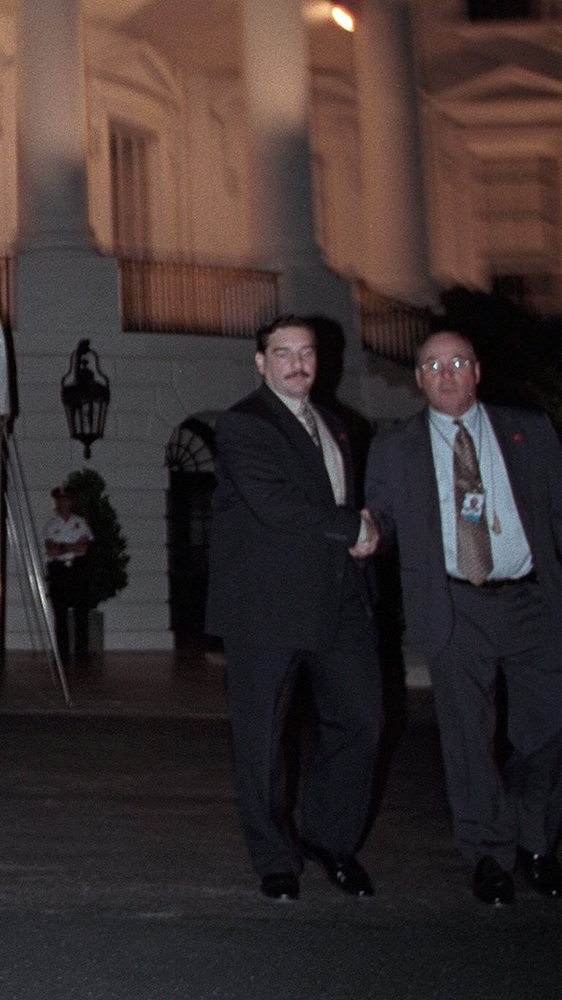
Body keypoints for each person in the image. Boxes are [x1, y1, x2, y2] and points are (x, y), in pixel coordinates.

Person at [365, 329, 562, 906]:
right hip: (454, 605)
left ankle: (536, 841)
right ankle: (489, 855)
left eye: (456, 362)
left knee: (548, 729)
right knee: (468, 739)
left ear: (476, 371)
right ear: (419, 378)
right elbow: (380, 522)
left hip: (533, 600)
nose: (445, 373)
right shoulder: (396, 447)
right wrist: (364, 535)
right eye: (432, 364)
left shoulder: (531, 432)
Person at [204, 315, 383, 902]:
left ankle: (331, 841)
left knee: (362, 720)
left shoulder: (337, 424)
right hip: (266, 608)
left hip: (339, 601)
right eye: (283, 353)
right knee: (262, 739)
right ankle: (275, 857)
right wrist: (350, 526)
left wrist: (362, 535)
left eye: (306, 353)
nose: (296, 363)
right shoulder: (242, 423)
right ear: (261, 362)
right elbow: (273, 503)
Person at [42, 485, 93, 665]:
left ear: (72, 502)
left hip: (77, 568)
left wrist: (62, 547)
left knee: (81, 611)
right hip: (58, 570)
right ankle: (62, 655)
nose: (63, 503)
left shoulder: (81, 523)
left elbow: (84, 546)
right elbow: (51, 549)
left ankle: (81, 653)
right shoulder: (51, 525)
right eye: (60, 500)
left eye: (67, 499)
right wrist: (72, 547)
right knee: (60, 611)